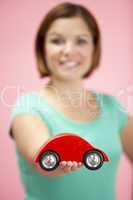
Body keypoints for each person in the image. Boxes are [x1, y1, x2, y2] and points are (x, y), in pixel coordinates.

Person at [9, 2, 133, 200]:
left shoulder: (112, 108)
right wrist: (56, 163)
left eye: (81, 41)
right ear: (42, 48)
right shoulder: (28, 107)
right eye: (57, 41)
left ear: (95, 47)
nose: (68, 50)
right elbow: (40, 158)